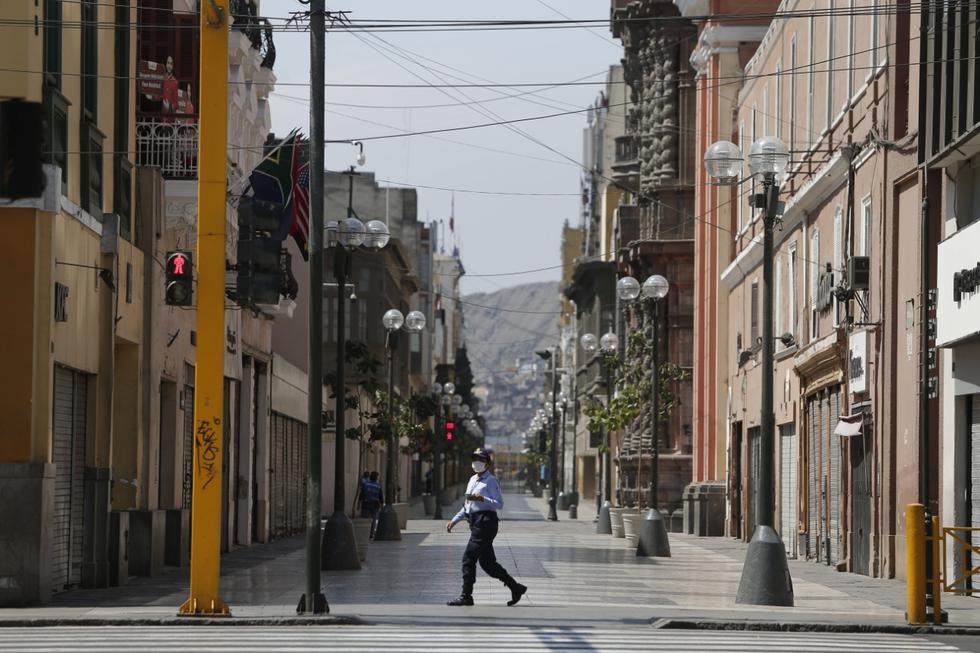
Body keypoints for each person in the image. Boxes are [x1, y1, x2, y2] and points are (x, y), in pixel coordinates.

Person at [446, 447, 527, 607]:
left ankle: (466, 596)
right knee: (488, 564)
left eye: (481, 460)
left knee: (468, 559)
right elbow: (468, 504)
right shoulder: (472, 480)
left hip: (486, 522)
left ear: (487, 463)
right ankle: (516, 587)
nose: (476, 463)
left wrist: (483, 498)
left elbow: (499, 504)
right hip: (475, 521)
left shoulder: (491, 481)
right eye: (475, 459)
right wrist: (454, 520)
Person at [361, 471, 383, 538]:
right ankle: (371, 534)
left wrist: (359, 503)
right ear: (376, 478)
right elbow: (380, 496)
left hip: (366, 503)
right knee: (373, 520)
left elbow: (362, 494)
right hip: (375, 504)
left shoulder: (366, 484)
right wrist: (382, 505)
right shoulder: (378, 486)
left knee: (365, 519)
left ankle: (365, 533)